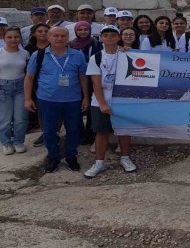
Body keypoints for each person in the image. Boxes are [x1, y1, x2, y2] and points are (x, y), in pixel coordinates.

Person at [24, 26, 90, 172]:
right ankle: (53, 156)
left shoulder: (77, 55)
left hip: (72, 100)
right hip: (47, 100)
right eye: (55, 35)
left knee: (73, 130)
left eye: (63, 36)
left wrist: (86, 97)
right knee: (48, 130)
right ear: (49, 38)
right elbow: (29, 77)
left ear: (68, 38)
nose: (59, 38)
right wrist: (28, 99)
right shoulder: (38, 55)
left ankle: (71, 156)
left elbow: (83, 77)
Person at [84, 25, 138, 178]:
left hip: (123, 100)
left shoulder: (127, 54)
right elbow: (96, 83)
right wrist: (102, 104)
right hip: (101, 100)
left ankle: (125, 158)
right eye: (106, 35)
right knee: (101, 132)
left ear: (118, 37)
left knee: (124, 130)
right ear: (101, 38)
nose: (109, 38)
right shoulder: (96, 57)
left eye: (113, 35)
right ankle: (99, 162)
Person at [0, 26, 30, 155]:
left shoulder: (25, 53)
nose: (13, 39)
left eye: (16, 37)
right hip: (2, 88)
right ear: (4, 38)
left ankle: (18, 141)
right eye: (9, 37)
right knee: (4, 119)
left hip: (21, 88)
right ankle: (6, 143)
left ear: (20, 38)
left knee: (20, 118)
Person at [69, 21, 102, 145]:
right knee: (77, 106)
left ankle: (91, 132)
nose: (83, 32)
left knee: (92, 106)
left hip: (93, 78)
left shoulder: (96, 43)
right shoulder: (71, 45)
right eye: (80, 30)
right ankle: (80, 134)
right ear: (76, 31)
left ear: (90, 30)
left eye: (85, 29)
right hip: (76, 79)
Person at [24, 22, 50, 144]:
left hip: (49, 83)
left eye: (46, 31)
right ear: (34, 33)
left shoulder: (55, 46)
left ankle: (53, 132)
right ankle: (45, 132)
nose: (43, 33)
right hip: (34, 83)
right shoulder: (28, 49)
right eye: (40, 31)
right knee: (40, 110)